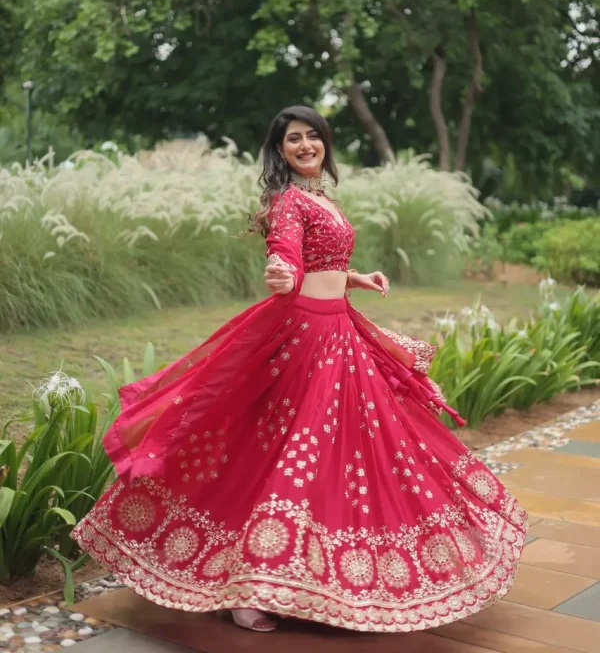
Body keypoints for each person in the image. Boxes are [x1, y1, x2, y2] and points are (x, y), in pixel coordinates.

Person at [72, 106, 527, 634]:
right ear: (280, 149)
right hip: (307, 338)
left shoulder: (319, 197)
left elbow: (318, 261)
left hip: (337, 328)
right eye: (294, 139)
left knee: (334, 450)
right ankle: (253, 589)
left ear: (326, 144)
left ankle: (298, 576)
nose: (306, 145)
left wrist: (355, 277)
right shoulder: (289, 200)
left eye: (314, 136)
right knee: (296, 450)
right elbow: (286, 253)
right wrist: (281, 268)